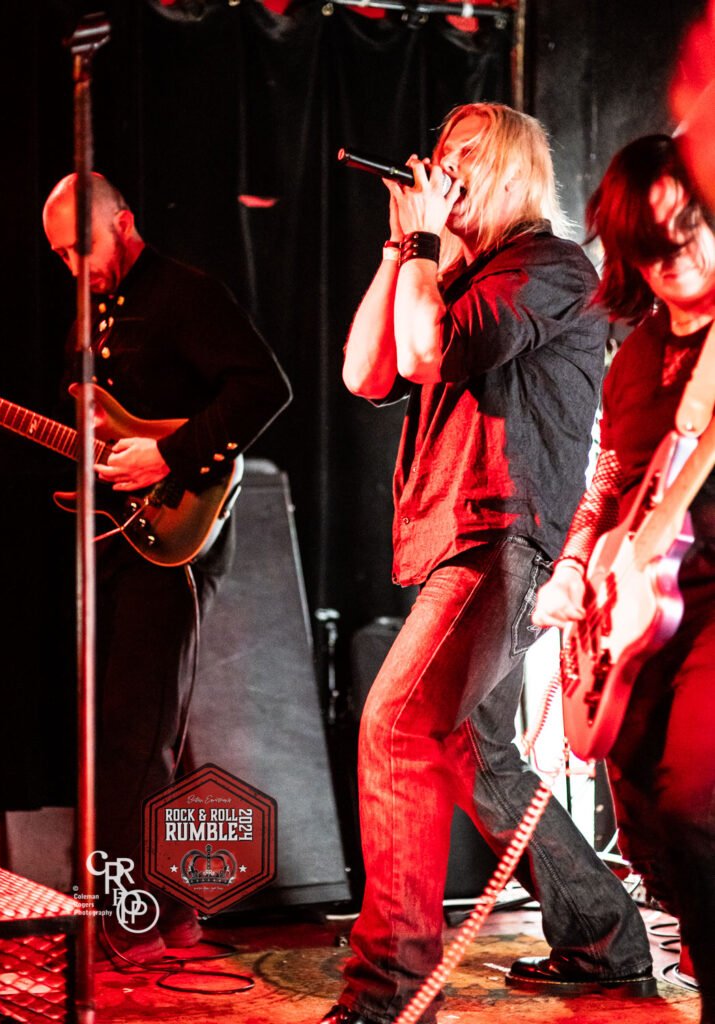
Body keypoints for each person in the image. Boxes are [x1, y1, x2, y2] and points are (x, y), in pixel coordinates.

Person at [321, 103, 654, 1024]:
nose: (439, 165)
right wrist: (402, 249)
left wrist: (426, 246)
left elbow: (427, 348)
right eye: (437, 151)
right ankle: (605, 942)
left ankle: (389, 993)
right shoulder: (451, 273)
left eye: (462, 153)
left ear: (508, 170)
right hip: (457, 535)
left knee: (396, 728)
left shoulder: (548, 267)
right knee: (476, 752)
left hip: (501, 534)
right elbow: (364, 372)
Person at [42, 172, 291, 961]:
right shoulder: (94, 312)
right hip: (117, 536)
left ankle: (132, 921)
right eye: (59, 256)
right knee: (123, 727)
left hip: (178, 535)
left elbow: (265, 389)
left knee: (138, 729)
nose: (73, 266)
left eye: (79, 248)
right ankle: (161, 911)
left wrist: (168, 455)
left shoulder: (186, 293)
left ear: (122, 223)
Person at [533, 134, 715, 1024]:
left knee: (691, 803)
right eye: (651, 246)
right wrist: (574, 562)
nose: (675, 258)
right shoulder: (635, 354)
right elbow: (606, 476)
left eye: (689, 231)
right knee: (645, 826)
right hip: (637, 617)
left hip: (712, 603)